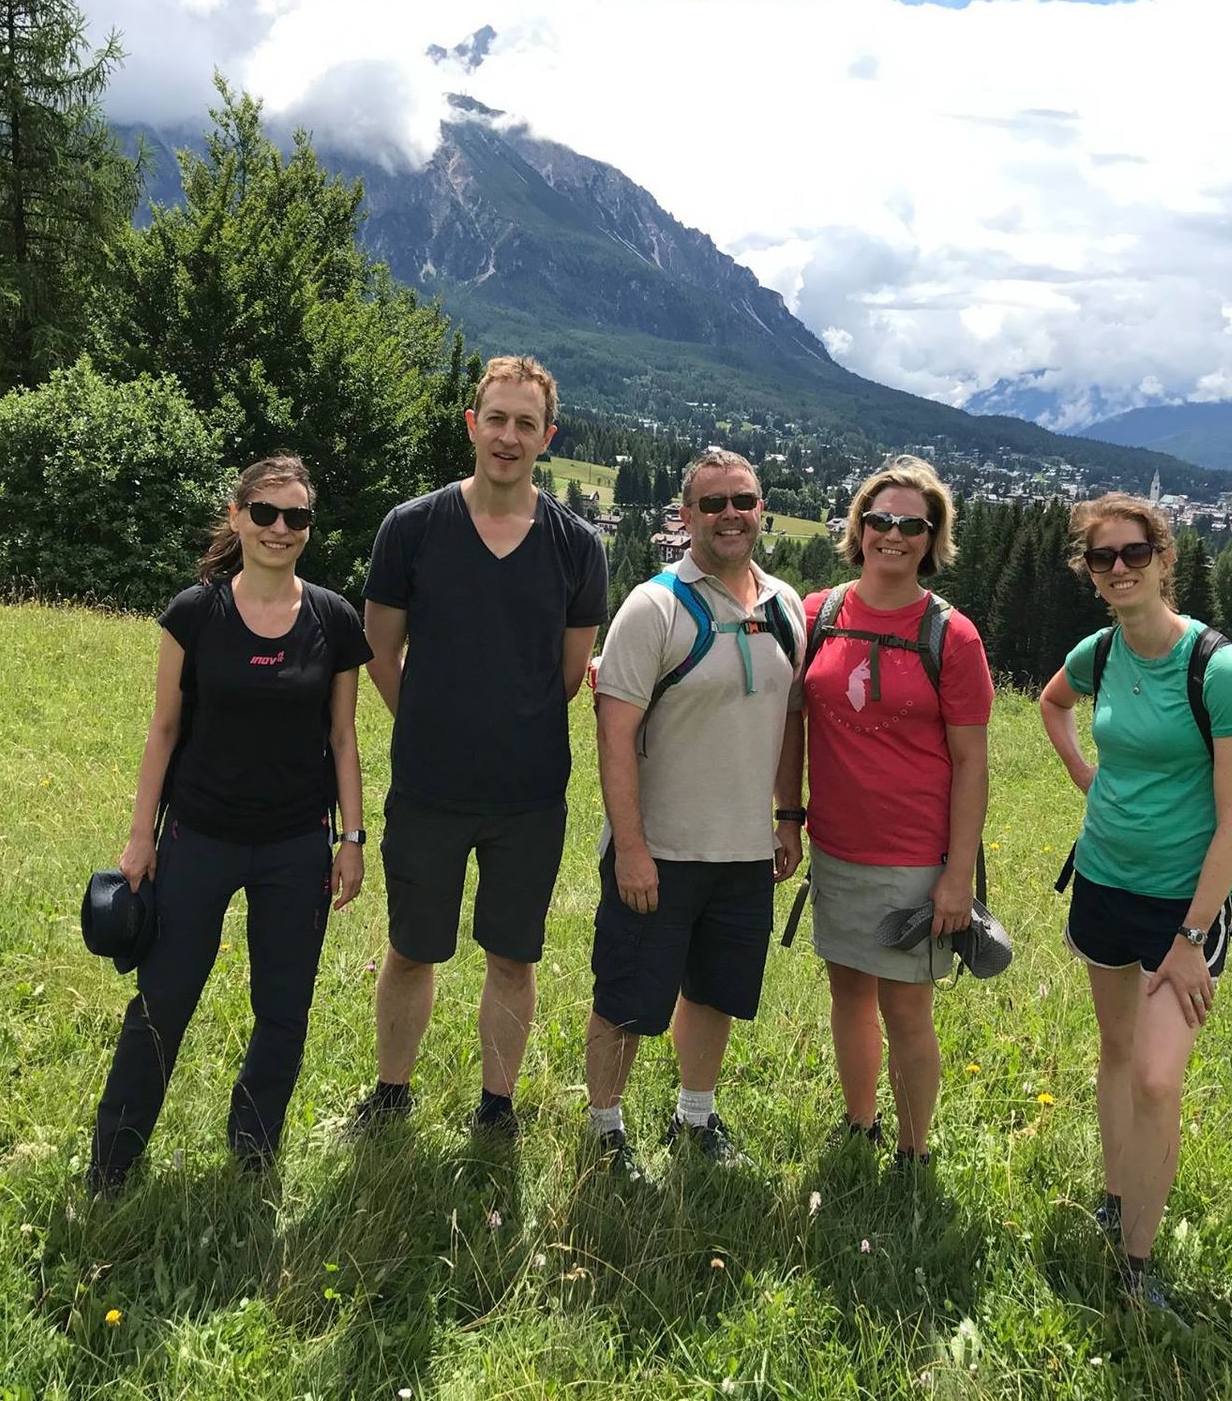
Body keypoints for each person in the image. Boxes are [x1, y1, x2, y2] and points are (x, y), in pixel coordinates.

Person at [88, 455, 371, 1192]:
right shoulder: (195, 612)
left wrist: (351, 839)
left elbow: (343, 739)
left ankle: (253, 1150)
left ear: (310, 528)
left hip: (295, 845)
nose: (281, 529)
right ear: (239, 517)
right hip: (199, 837)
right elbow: (163, 729)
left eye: (297, 517)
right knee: (163, 1001)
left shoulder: (335, 620)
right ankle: (113, 1160)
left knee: (284, 1009)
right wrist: (139, 835)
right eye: (267, 514)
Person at [350, 356, 608, 1139]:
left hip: (528, 796)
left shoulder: (578, 547)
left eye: (526, 423)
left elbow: (568, 673)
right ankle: (391, 1091)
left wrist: (505, 723)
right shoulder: (413, 527)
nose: (508, 435)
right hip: (427, 788)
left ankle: (497, 1107)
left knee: (511, 957)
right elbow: (379, 649)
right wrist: (425, 721)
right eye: (496, 418)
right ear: (472, 424)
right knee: (410, 948)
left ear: (547, 438)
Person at [1037, 492, 1232, 1312]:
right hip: (1103, 877)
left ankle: (1137, 1266)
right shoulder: (1100, 652)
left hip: (1184, 905)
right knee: (1115, 1050)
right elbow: (1051, 704)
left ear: (1164, 560)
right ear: (1088, 571)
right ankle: (1114, 1196)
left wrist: (1191, 935)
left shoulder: (1218, 668)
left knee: (1158, 1079)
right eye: (1103, 558)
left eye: (1135, 553)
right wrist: (1084, 778)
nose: (1120, 568)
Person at [584, 447, 805, 1175]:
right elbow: (613, 736)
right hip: (663, 850)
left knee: (716, 992)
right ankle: (604, 1130)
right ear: (686, 518)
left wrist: (788, 817)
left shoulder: (783, 606)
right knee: (627, 998)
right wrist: (631, 847)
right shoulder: (653, 607)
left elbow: (789, 719)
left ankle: (695, 1117)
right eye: (712, 505)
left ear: (761, 509)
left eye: (743, 500)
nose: (731, 516)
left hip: (743, 851)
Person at [796, 457, 993, 1172]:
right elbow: (791, 725)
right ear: (858, 525)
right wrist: (789, 818)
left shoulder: (953, 636)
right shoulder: (818, 614)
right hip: (837, 845)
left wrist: (957, 876)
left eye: (914, 524)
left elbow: (972, 762)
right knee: (848, 990)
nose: (894, 534)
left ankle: (913, 1153)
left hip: (916, 856)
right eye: (880, 519)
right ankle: (860, 1128)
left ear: (932, 537)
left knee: (907, 1010)